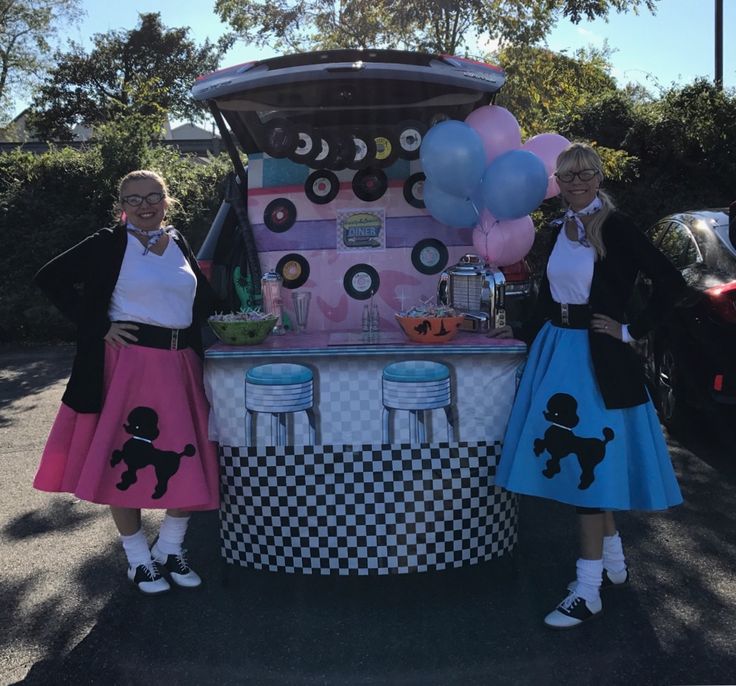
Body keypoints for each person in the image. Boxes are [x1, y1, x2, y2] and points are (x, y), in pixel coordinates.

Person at [492, 142, 686, 629]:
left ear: (599, 178)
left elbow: (671, 282)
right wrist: (516, 333)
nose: (577, 182)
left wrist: (630, 330)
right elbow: (546, 297)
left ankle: (588, 589)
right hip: (555, 351)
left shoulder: (616, 228)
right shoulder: (556, 228)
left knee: (588, 472)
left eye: (586, 174)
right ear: (558, 182)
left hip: (597, 358)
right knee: (583, 469)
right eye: (568, 175)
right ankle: (614, 561)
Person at [33, 169, 220, 596]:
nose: (145, 205)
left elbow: (203, 299)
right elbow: (50, 278)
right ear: (121, 204)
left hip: (181, 365)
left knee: (187, 456)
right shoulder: (108, 243)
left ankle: (171, 549)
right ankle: (139, 559)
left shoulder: (178, 242)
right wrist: (97, 325)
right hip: (129, 366)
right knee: (125, 459)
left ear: (167, 200)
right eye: (133, 198)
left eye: (154, 196)